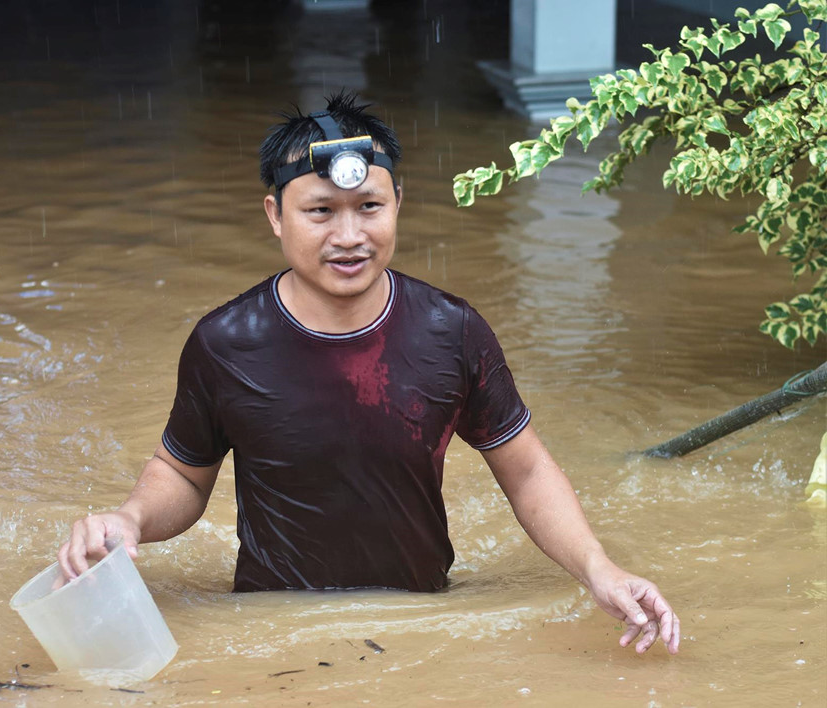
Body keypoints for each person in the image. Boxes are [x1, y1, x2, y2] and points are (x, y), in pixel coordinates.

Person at [58, 92, 681, 655]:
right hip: (272, 630)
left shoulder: (451, 330)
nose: (349, 235)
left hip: (423, 627)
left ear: (399, 203)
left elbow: (526, 470)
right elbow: (183, 476)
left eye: (370, 206)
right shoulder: (225, 343)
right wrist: (131, 519)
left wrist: (601, 568)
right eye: (321, 210)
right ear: (275, 215)